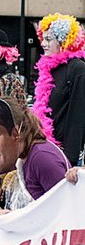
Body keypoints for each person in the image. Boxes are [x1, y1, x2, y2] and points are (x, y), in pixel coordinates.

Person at [0, 91, 70, 220]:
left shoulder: (42, 158)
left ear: (16, 133)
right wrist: (4, 215)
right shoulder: (25, 158)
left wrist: (13, 218)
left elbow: (66, 215)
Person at [32, 13, 85, 167]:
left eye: (49, 39)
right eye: (43, 39)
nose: (43, 44)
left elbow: (78, 116)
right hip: (44, 148)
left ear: (63, 41)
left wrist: (71, 160)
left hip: (63, 155)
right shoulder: (49, 69)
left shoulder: (78, 69)